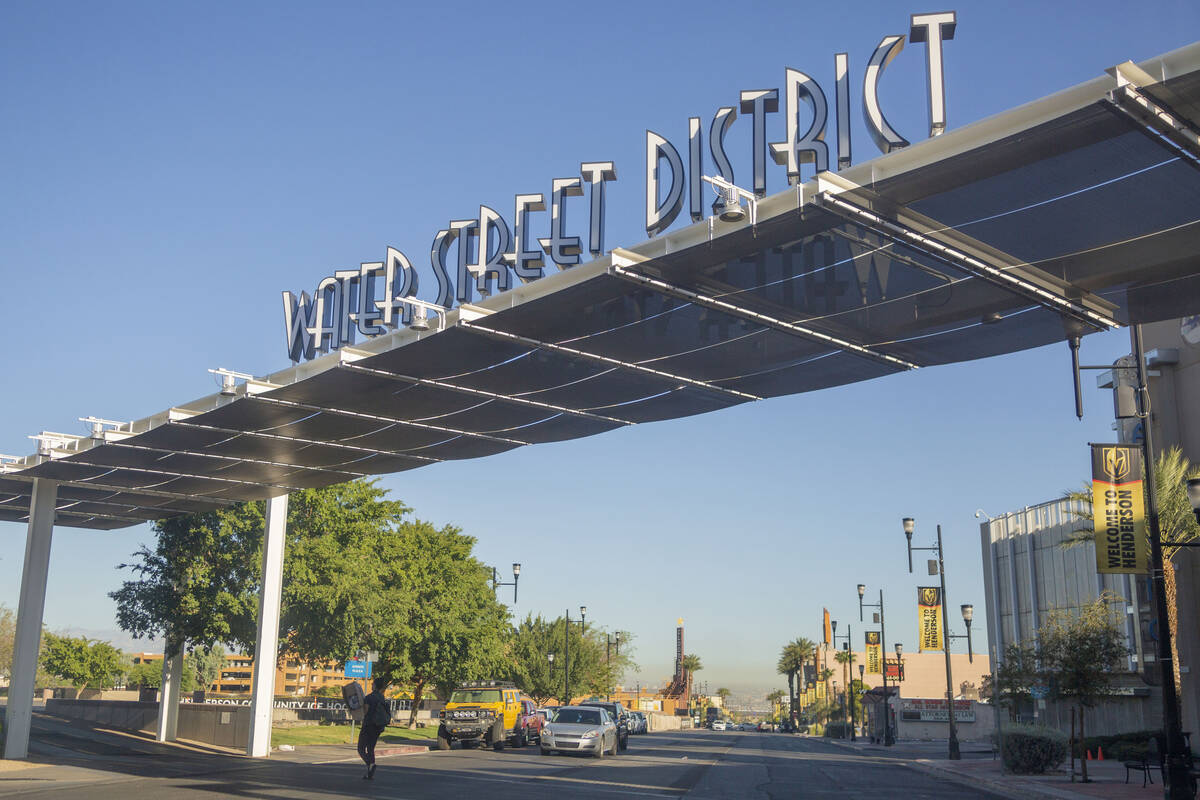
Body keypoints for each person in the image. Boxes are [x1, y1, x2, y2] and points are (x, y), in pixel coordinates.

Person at [358, 677, 389, 780]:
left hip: (368, 725)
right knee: (371, 748)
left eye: (372, 684)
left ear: (375, 685)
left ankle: (371, 764)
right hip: (378, 726)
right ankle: (369, 774)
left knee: (361, 748)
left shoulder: (369, 697)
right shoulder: (382, 698)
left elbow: (365, 711)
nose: (371, 685)